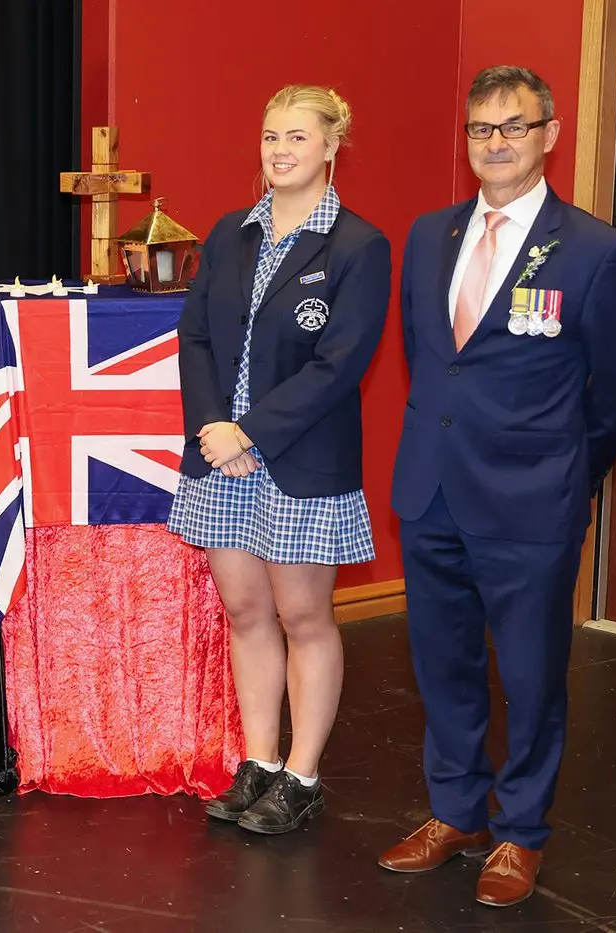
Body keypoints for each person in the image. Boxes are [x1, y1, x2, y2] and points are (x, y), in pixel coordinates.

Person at [379, 66, 616, 907]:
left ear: (549, 134)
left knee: (531, 676)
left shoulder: (595, 250)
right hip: (430, 490)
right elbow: (430, 359)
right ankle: (455, 809)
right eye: (479, 129)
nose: (494, 143)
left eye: (512, 127)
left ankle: (520, 829)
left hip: (532, 501)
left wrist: (570, 470)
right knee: (442, 664)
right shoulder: (428, 234)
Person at [168, 85, 391, 835]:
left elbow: (339, 364)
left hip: (296, 458)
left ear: (331, 146)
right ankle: (259, 762)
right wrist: (211, 427)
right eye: (269, 137)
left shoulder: (359, 245)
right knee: (246, 610)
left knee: (303, 615)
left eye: (297, 137)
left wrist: (250, 433)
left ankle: (302, 774)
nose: (279, 151)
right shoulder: (230, 231)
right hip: (218, 458)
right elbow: (193, 337)